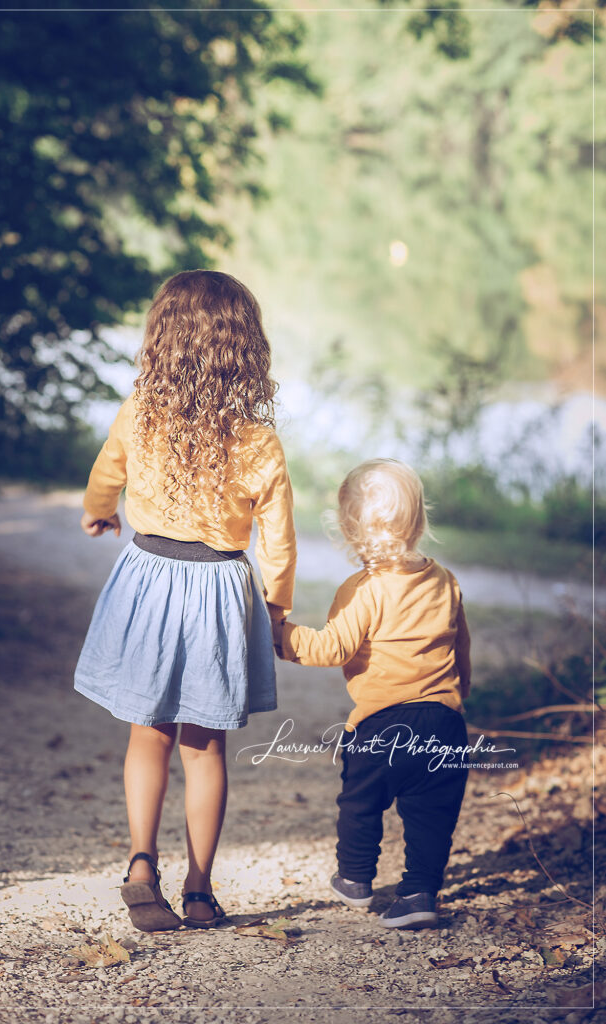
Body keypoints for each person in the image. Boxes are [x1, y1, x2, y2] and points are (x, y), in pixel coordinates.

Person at [74, 270, 296, 931]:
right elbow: (277, 540)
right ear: (243, 348)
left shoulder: (138, 411)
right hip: (219, 591)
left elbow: (106, 473)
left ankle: (142, 863)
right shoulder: (256, 439)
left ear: (161, 339)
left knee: (147, 735)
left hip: (149, 577)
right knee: (204, 748)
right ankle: (199, 889)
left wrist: (98, 514)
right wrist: (276, 609)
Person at [273, 458, 470, 929]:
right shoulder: (445, 581)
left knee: (361, 801)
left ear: (348, 529)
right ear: (420, 522)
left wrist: (277, 634)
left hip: (382, 725)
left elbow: (330, 647)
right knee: (431, 816)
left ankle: (357, 878)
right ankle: (419, 892)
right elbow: (461, 645)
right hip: (444, 723)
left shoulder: (363, 589)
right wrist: (461, 693)